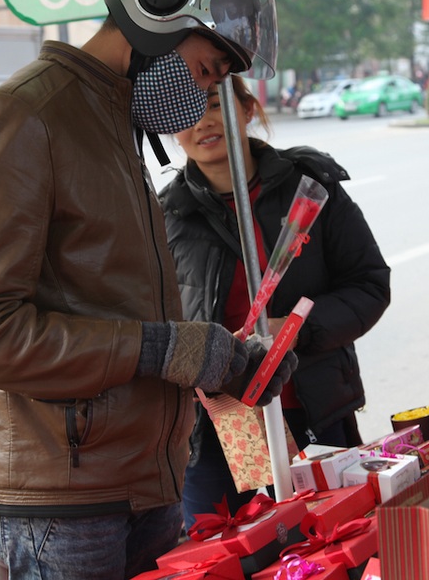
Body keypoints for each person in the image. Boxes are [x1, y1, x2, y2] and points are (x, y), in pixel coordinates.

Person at [0, 0, 296, 578]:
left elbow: (109, 304)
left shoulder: (109, 125)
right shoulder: (21, 120)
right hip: (65, 503)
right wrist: (162, 350)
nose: (204, 91)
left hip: (140, 483)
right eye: (206, 69)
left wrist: (223, 358)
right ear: (158, 14)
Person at [159, 75, 391, 527]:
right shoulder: (166, 217)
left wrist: (295, 330)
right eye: (183, 114)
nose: (202, 122)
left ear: (246, 109)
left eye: (212, 103)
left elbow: (369, 285)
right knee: (227, 558)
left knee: (332, 543)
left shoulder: (311, 187)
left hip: (315, 409)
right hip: (215, 432)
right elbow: (154, 328)